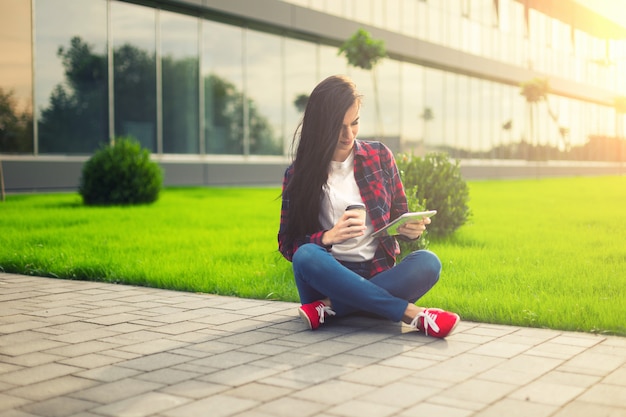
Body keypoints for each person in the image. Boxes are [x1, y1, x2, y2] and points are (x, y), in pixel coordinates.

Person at [278, 75, 460, 338]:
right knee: (306, 255)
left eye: (355, 123)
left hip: (377, 269)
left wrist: (410, 230)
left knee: (429, 262)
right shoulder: (298, 175)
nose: (348, 134)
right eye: (338, 127)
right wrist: (327, 237)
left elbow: (398, 213)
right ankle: (413, 314)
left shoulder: (380, 156)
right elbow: (288, 244)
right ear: (320, 126)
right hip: (328, 274)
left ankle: (331, 309)